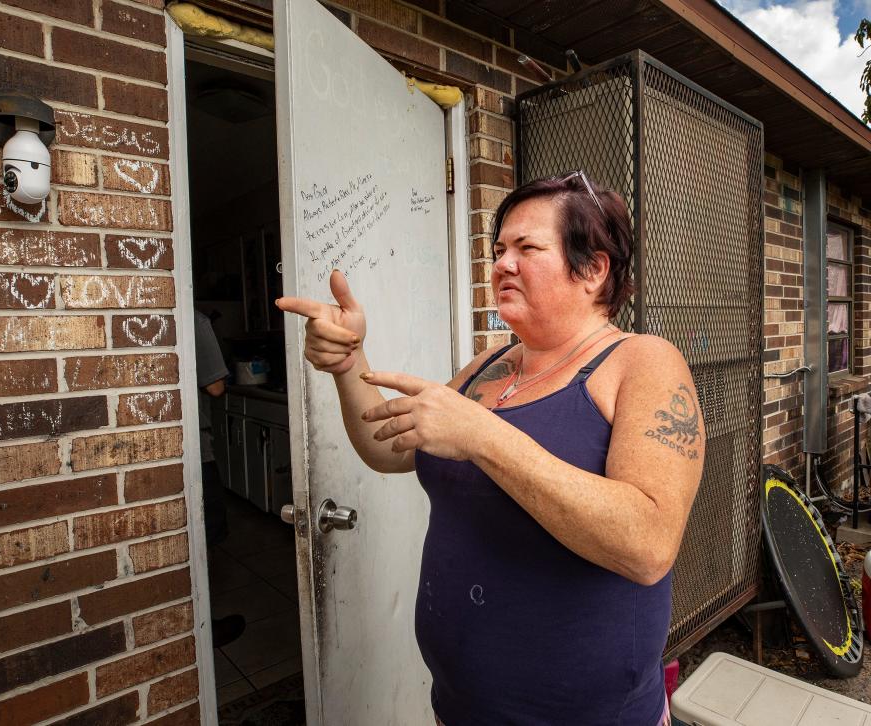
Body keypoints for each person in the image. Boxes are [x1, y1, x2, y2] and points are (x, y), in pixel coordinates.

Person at [276, 172, 704, 726]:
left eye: (528, 248)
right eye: (500, 249)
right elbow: (388, 451)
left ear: (594, 270)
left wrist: (481, 436)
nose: (502, 263)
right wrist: (348, 363)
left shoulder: (642, 362)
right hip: (460, 706)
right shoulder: (487, 367)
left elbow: (648, 546)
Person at [193, 309, 245, 647]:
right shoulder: (196, 321)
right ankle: (203, 626)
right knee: (204, 538)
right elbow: (214, 386)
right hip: (198, 449)